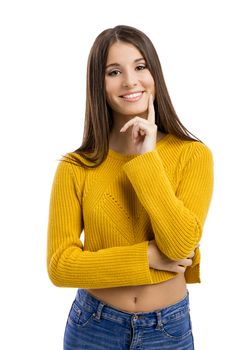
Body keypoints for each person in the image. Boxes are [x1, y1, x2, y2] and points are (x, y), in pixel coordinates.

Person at [47, 25, 214, 350]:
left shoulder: (192, 155)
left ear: (155, 74)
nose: (130, 81)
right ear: (99, 83)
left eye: (140, 66)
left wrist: (147, 159)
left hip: (167, 330)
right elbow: (60, 266)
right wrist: (147, 257)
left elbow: (180, 247)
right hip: (92, 327)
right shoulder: (75, 166)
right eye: (114, 71)